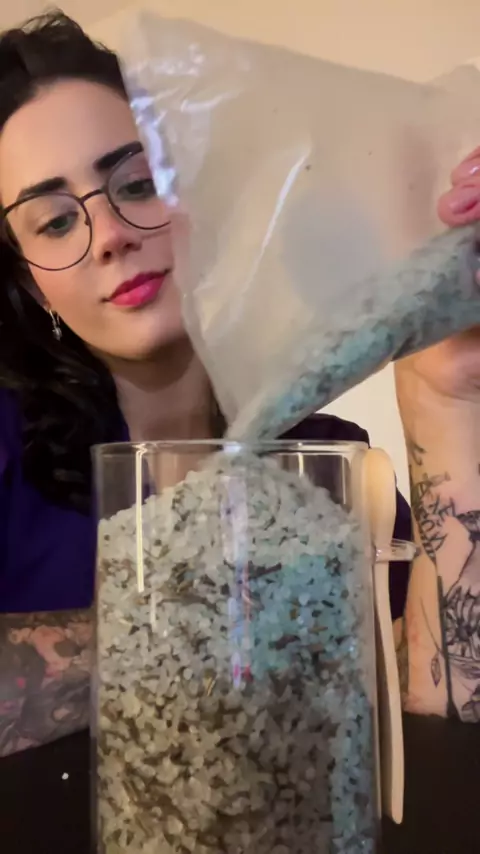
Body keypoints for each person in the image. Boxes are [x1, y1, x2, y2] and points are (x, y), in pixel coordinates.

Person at [0, 12, 473, 758]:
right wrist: (248, 630)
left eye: (138, 183)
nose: (111, 235)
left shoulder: (327, 465)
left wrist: (449, 397)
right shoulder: (9, 450)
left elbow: (437, 717)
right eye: (55, 222)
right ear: (30, 281)